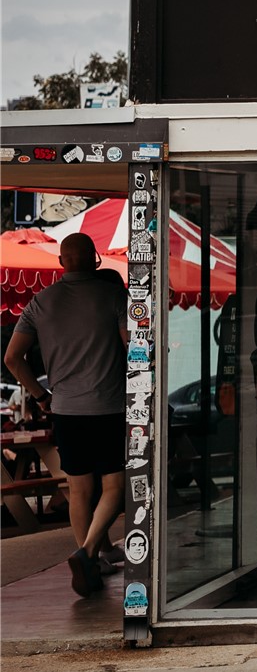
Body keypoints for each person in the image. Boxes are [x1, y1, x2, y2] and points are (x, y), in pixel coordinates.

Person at [4, 233, 127, 596]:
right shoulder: (113, 295)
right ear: (95, 259)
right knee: (114, 487)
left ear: (61, 262)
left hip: (65, 410)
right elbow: (133, 344)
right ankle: (87, 552)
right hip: (109, 406)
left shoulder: (40, 302)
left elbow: (12, 358)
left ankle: (93, 562)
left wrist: (41, 395)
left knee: (79, 489)